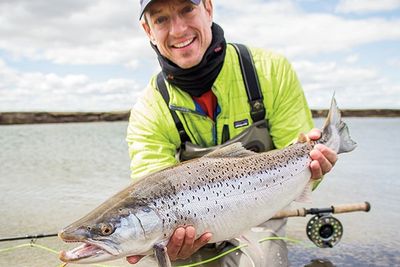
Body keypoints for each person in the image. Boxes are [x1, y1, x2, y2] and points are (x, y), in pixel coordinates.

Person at [126, 0, 337, 266]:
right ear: (148, 30)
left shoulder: (271, 70)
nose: (178, 29)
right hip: (186, 232)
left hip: (261, 213)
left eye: (187, 9)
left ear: (209, 9)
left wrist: (318, 166)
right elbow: (149, 189)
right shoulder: (148, 109)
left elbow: (303, 159)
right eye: (161, 19)